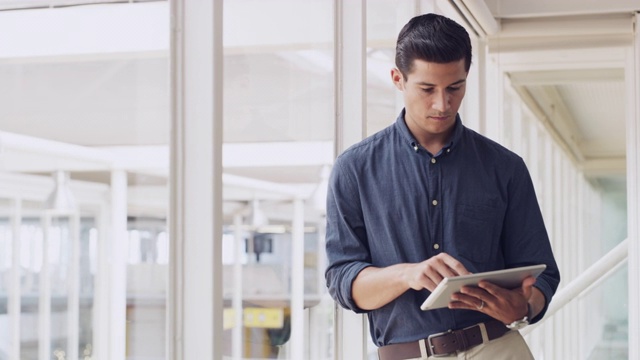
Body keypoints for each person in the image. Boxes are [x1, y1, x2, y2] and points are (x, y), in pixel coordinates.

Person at [324, 13, 560, 360]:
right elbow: (344, 281)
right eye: (427, 89)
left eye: (455, 87)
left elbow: (542, 272)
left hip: (497, 349)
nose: (442, 104)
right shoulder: (354, 169)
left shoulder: (505, 167)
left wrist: (525, 305)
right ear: (397, 79)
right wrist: (408, 274)